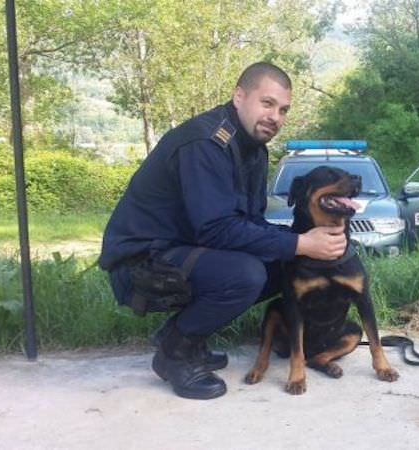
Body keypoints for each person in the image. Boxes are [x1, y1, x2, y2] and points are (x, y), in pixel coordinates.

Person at [98, 62, 347, 400]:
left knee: (282, 264)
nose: (276, 116)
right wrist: (300, 242)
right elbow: (216, 229)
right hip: (140, 261)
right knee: (244, 274)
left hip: (183, 250)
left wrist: (300, 244)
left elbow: (250, 222)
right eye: (267, 103)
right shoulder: (205, 143)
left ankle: (184, 334)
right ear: (239, 96)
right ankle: (175, 353)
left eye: (284, 109)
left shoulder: (253, 149)